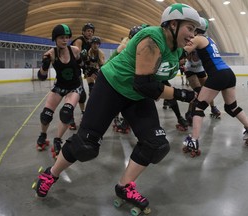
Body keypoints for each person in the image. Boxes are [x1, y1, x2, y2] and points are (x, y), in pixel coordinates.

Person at [33, 3, 200, 212]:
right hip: (112, 86)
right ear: (173, 24)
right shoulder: (152, 38)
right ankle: (50, 173)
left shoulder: (176, 51)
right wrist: (185, 94)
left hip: (136, 96)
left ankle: (124, 186)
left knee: (156, 144)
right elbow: (145, 84)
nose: (193, 35)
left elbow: (152, 83)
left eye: (195, 30)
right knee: (86, 145)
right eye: (190, 28)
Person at [182, 17, 248, 157]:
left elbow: (182, 52)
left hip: (217, 74)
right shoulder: (209, 39)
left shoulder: (199, 38)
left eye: (192, 28)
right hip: (228, 73)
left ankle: (193, 140)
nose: (190, 32)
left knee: (199, 107)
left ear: (196, 29)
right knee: (231, 107)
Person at [36, 24, 83, 159]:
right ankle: (43, 135)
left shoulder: (74, 50)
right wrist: (44, 65)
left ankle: (57, 140)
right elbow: (41, 77)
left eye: (67, 37)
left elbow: (81, 65)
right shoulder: (51, 54)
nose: (65, 40)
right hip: (59, 86)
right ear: (55, 39)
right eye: (62, 37)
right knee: (46, 115)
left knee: (66, 113)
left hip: (74, 88)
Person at [68, 23, 95, 130]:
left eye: (92, 31)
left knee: (82, 95)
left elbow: (86, 59)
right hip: (71, 69)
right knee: (74, 94)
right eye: (88, 31)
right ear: (83, 32)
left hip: (78, 69)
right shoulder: (79, 40)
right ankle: (70, 118)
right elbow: (77, 54)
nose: (90, 33)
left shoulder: (90, 43)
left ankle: (83, 113)